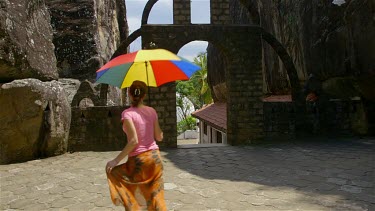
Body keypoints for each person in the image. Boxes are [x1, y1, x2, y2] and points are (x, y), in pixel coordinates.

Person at [106, 80, 166, 211]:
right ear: (144, 95)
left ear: (129, 93)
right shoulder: (152, 111)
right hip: (155, 159)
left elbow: (134, 141)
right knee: (156, 196)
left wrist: (115, 161)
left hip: (139, 162)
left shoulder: (127, 114)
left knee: (129, 188)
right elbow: (159, 137)